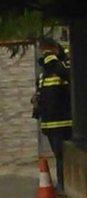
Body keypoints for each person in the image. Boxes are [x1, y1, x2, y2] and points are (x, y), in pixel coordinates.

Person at [32, 37, 72, 190]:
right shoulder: (56, 70)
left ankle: (62, 186)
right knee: (61, 157)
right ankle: (62, 185)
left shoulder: (49, 72)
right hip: (59, 122)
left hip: (56, 123)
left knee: (61, 157)